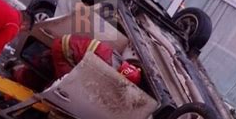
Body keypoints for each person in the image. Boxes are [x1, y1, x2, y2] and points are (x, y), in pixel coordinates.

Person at [13, 34, 142, 91]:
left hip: (67, 46)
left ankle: (18, 70)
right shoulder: (106, 68)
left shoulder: (117, 60)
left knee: (50, 70)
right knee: (64, 89)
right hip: (65, 50)